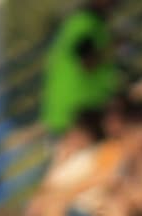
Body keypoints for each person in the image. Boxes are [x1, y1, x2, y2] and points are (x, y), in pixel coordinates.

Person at [42, 4, 127, 135]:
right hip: (77, 115)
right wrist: (114, 46)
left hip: (76, 113)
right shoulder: (86, 23)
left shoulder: (83, 23)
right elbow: (86, 61)